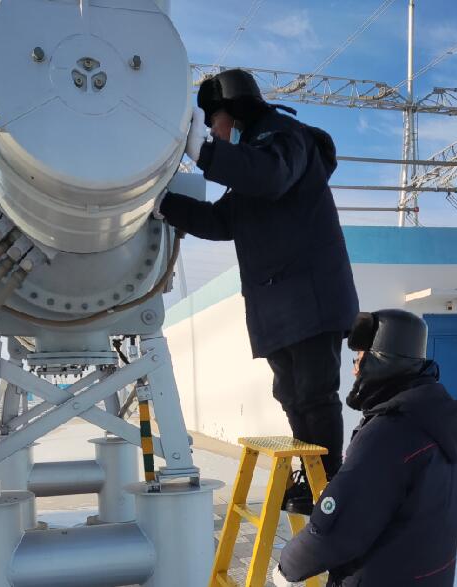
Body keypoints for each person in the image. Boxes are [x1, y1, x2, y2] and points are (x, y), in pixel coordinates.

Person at [155, 69, 359, 514]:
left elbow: (270, 175)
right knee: (292, 395)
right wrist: (164, 204)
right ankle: (312, 477)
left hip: (309, 299)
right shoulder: (253, 164)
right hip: (279, 305)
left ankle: (330, 485)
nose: (213, 132)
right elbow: (220, 221)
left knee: (314, 394)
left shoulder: (284, 138)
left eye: (213, 123)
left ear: (234, 112)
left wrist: (205, 153)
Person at [272, 309, 457, 587]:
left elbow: (337, 529)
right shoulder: (439, 419)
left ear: (382, 360)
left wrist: (288, 566)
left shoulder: (390, 433)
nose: (354, 369)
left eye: (359, 359)